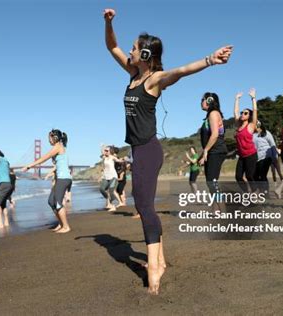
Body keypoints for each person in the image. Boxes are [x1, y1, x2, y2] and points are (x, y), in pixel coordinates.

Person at [104, 7, 233, 295]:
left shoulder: (154, 79)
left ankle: (153, 268)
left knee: (145, 206)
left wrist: (211, 60)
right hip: (138, 150)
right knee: (143, 206)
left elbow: (181, 71)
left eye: (135, 49)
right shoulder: (132, 73)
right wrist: (109, 22)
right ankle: (160, 260)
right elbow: (111, 45)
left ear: (146, 56)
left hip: (149, 150)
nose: (131, 50)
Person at [22, 129, 72, 233]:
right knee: (51, 201)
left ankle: (66, 227)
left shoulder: (58, 147)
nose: (48, 140)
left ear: (55, 138)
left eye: (49, 138)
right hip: (61, 178)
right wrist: (50, 173)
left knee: (58, 203)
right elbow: (58, 165)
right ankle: (61, 224)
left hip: (63, 178)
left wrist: (30, 165)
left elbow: (44, 158)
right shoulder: (59, 147)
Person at [198, 93, 228, 210]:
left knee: (212, 181)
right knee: (210, 181)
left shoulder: (214, 114)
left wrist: (205, 150)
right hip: (212, 151)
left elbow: (215, 134)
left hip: (217, 150)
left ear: (209, 101)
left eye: (202, 100)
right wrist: (203, 155)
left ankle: (223, 210)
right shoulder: (209, 115)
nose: (201, 102)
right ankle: (216, 210)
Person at [234, 89, 258, 192]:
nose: (243, 114)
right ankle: (247, 193)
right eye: (242, 113)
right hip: (242, 156)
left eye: (245, 113)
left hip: (251, 155)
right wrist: (237, 99)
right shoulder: (238, 126)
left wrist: (253, 98)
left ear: (249, 116)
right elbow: (235, 112)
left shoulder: (251, 126)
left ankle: (255, 193)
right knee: (238, 177)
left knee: (249, 176)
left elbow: (255, 111)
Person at [253, 121, 278, 194]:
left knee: (262, 174)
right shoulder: (252, 134)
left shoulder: (266, 133)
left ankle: (265, 192)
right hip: (256, 158)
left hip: (266, 156)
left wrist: (275, 157)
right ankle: (260, 190)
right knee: (255, 175)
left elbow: (273, 145)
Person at [99, 146, 123, 211]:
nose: (106, 152)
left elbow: (117, 160)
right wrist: (101, 176)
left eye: (107, 151)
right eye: (105, 151)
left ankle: (112, 205)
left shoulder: (112, 157)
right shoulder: (104, 158)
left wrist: (120, 161)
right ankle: (109, 201)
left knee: (112, 190)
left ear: (110, 152)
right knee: (101, 189)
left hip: (113, 176)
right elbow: (103, 167)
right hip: (106, 176)